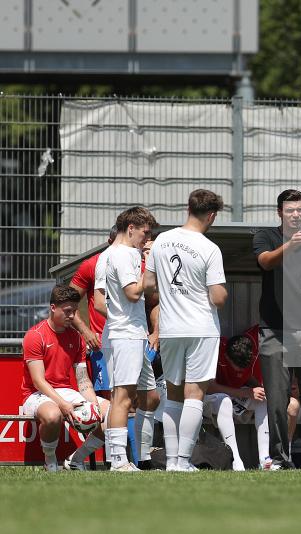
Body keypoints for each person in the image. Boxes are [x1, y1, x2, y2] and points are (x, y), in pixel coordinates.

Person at [144, 189, 227, 472]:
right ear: (212, 215)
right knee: (195, 395)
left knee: (174, 395)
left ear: (188, 208)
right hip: (200, 327)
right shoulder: (209, 248)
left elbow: (149, 285)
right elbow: (217, 297)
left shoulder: (162, 241)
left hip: (170, 328)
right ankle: (182, 461)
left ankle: (170, 462)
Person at [253, 189, 301, 470]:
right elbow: (264, 261)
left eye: (300, 210)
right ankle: (278, 458)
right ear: (280, 213)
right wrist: (289, 247)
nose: (296, 215)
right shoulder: (266, 236)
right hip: (275, 331)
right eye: (290, 210)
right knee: (277, 400)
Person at [20, 284, 110, 472]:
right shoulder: (35, 336)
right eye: (68, 311)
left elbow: (83, 379)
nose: (72, 316)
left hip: (66, 391)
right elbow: (38, 381)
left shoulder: (77, 338)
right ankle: (50, 462)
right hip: (36, 393)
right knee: (53, 415)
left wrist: (93, 405)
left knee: (110, 412)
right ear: (53, 308)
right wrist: (62, 404)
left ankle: (75, 460)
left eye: (75, 311)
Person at [95, 207, 157, 472]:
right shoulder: (124, 254)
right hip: (126, 334)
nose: (146, 238)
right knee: (122, 396)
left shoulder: (106, 255)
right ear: (131, 227)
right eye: (145, 232)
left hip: (129, 332)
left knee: (150, 396)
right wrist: (151, 263)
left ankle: (140, 457)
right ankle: (119, 461)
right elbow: (133, 293)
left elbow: (104, 300)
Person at [206, 325, 299, 471]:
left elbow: (247, 378)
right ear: (227, 357)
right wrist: (246, 393)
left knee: (262, 398)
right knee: (224, 400)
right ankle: (236, 461)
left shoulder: (251, 347)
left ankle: (264, 459)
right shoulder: (216, 348)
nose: (241, 372)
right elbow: (208, 387)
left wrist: (258, 390)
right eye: (237, 367)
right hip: (212, 398)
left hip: (236, 395)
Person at [70, 226, 116, 395]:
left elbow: (155, 301)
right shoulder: (92, 265)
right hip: (102, 345)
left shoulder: (141, 264)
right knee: (111, 397)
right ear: (109, 242)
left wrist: (155, 331)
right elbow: (68, 303)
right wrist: (85, 331)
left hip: (133, 339)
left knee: (137, 398)